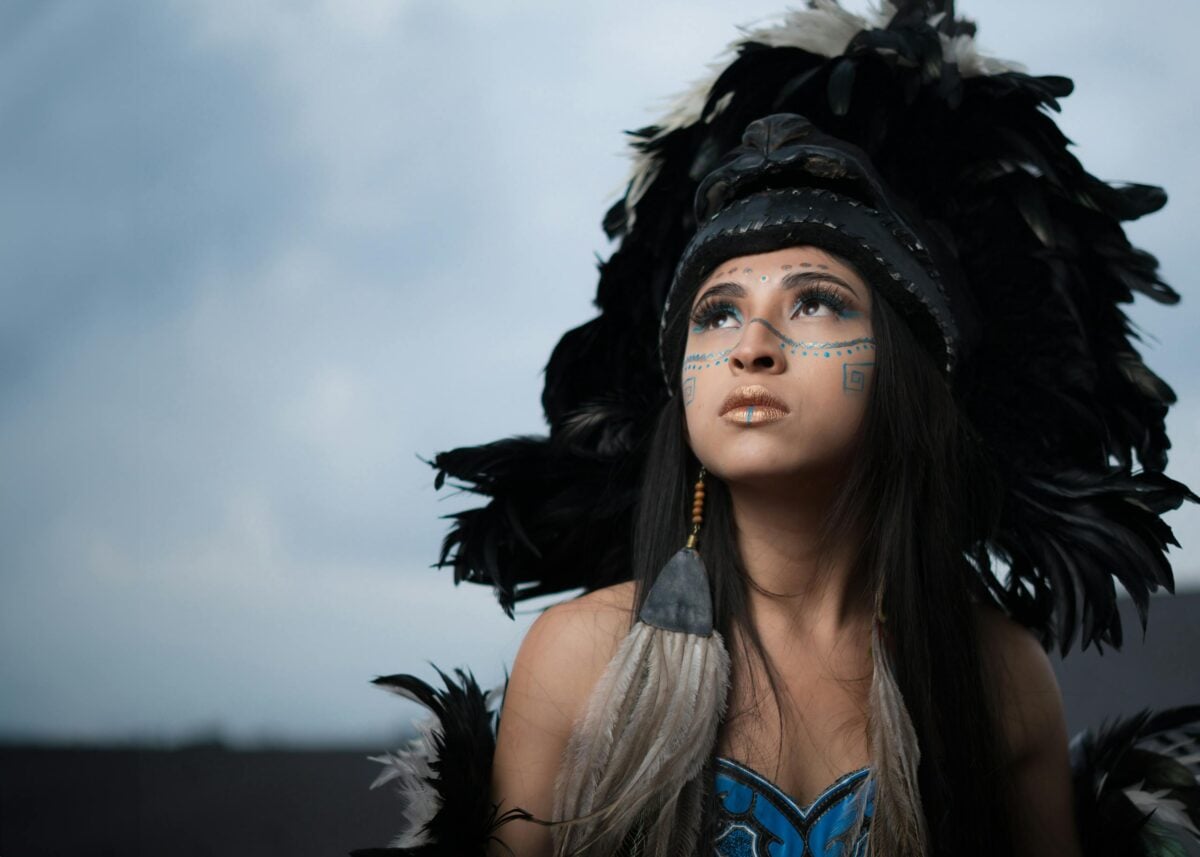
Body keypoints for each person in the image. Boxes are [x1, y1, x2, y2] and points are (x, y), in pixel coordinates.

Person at [352, 4, 1200, 857]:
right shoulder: (576, 662)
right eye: (717, 316)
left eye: (816, 301)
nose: (752, 347)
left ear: (904, 375)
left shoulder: (1001, 677)